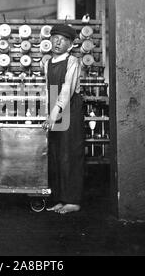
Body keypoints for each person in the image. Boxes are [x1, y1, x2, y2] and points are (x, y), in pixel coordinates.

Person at [42, 24, 86, 214]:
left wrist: (54, 113)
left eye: (63, 40)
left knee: (70, 154)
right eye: (54, 38)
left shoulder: (73, 62)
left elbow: (67, 90)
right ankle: (60, 198)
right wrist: (47, 113)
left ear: (70, 45)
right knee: (56, 155)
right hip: (55, 109)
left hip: (70, 109)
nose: (57, 42)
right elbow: (48, 90)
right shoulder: (47, 63)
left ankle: (73, 201)